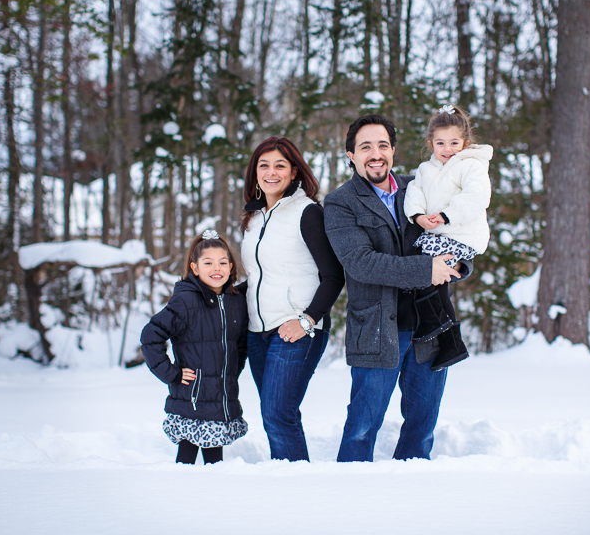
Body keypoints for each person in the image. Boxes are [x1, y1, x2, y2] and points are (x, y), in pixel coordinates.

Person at [323, 114, 472, 462]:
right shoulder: (340, 203)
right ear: (351, 155)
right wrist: (428, 268)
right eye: (365, 147)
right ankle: (349, 499)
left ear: (393, 150)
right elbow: (362, 263)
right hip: (376, 329)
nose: (376, 154)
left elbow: (456, 235)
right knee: (362, 426)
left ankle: (410, 501)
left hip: (431, 327)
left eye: (382, 145)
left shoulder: (420, 187)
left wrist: (460, 263)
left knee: (422, 426)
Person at [240, 136, 345, 461]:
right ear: (255, 172)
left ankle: (293, 492)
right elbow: (259, 277)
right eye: (264, 165)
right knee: (279, 413)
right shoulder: (254, 218)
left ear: (294, 171)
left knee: (277, 414)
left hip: (297, 329)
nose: (271, 172)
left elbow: (333, 276)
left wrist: (307, 320)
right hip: (258, 332)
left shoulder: (308, 212)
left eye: (280, 165)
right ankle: (291, 481)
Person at [140, 231, 249, 465]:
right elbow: (151, 337)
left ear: (231, 267)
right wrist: (172, 374)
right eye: (208, 263)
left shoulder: (236, 301)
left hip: (221, 397)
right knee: (186, 461)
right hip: (191, 396)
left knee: (215, 463)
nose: (216, 268)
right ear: (195, 268)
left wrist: (232, 372)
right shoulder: (186, 301)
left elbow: (240, 342)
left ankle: (210, 501)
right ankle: (181, 498)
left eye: (222, 262)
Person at [403, 104, 493, 370]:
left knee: (430, 275)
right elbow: (414, 193)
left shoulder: (471, 166)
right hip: (437, 232)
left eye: (454, 142)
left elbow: (476, 198)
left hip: (460, 233)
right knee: (427, 276)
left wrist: (445, 216)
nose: (447, 148)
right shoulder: (425, 169)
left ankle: (444, 333)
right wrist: (418, 216)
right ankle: (447, 339)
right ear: (431, 144)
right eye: (441, 142)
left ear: (465, 143)